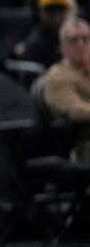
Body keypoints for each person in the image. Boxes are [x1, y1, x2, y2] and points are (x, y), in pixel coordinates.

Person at [43, 18, 90, 161]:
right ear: (62, 47)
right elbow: (75, 111)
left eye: (85, 38)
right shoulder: (57, 76)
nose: (80, 44)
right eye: (74, 40)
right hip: (82, 143)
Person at [18, 0, 73, 68]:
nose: (56, 16)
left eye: (60, 9)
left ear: (67, 11)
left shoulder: (72, 34)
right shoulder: (36, 42)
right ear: (41, 12)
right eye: (51, 10)